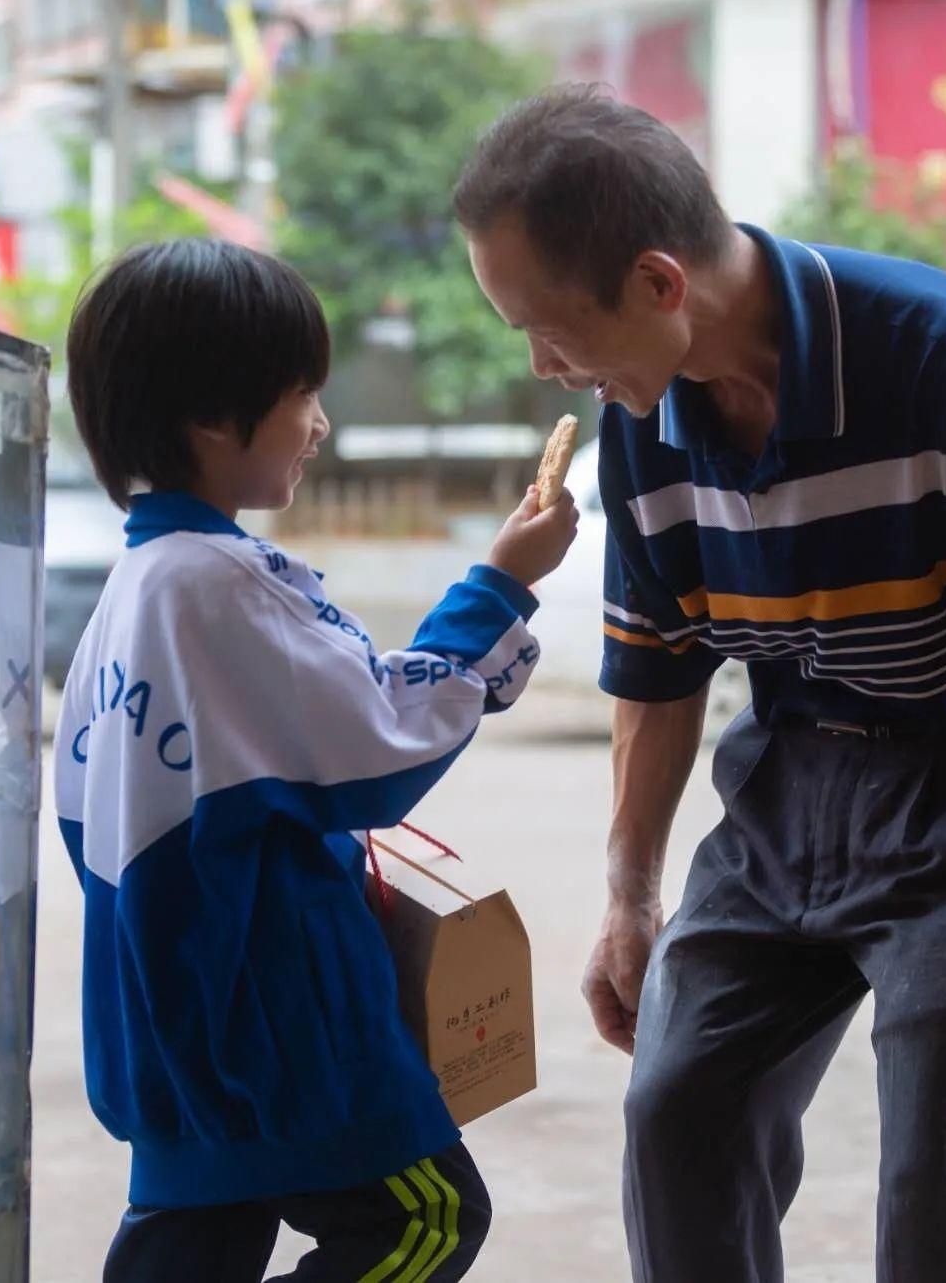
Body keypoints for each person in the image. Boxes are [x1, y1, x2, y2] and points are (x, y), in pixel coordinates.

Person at [456, 84, 946, 1283]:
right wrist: (629, 892)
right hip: (785, 779)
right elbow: (658, 672)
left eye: (552, 331)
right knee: (678, 1109)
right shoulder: (644, 420)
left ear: (662, 284)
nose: (546, 370)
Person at [54, 239, 578, 1283]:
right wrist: (501, 583)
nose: (320, 424)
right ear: (213, 417)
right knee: (426, 1218)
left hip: (177, 1036)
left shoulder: (139, 589)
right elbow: (381, 738)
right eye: (303, 395)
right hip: (277, 1040)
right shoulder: (218, 584)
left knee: (193, 1242)